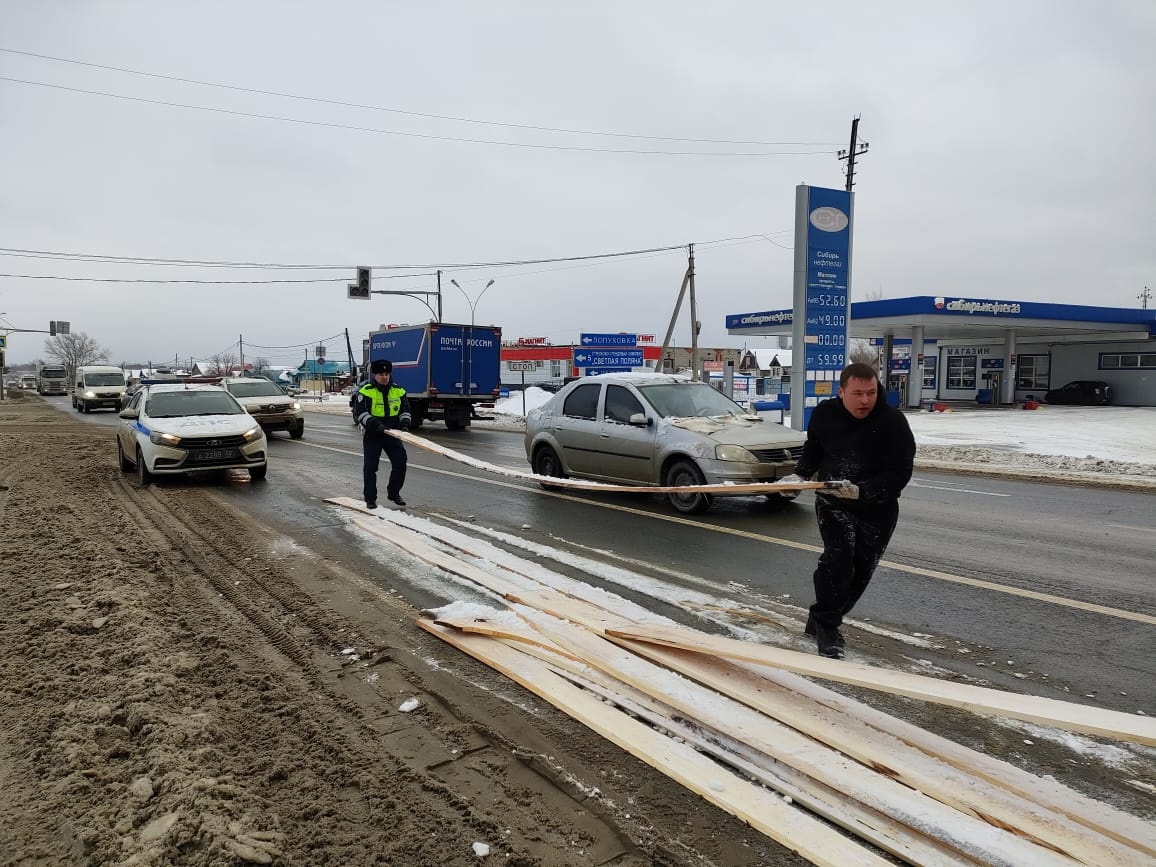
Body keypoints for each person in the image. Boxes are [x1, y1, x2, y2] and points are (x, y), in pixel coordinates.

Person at [781, 362, 915, 659]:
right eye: (858, 394)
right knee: (838, 561)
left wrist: (863, 491)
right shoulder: (825, 414)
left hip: (877, 508)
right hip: (833, 501)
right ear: (841, 392)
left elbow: (900, 471)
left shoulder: (893, 422)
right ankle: (828, 626)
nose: (866, 400)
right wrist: (800, 475)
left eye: (871, 393)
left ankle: (820, 618)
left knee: (860, 573)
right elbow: (814, 449)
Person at [351, 359, 412, 508]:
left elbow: (405, 410)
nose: (384, 377)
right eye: (381, 374)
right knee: (371, 467)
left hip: (392, 434)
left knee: (400, 462)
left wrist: (405, 424)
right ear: (375, 375)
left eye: (386, 374)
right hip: (374, 435)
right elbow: (360, 413)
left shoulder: (399, 390)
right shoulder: (366, 391)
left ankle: (393, 493)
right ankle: (370, 499)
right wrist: (375, 425)